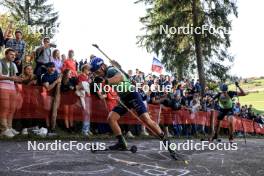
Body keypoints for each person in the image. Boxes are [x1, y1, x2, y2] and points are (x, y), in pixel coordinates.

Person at [90, 57, 175, 155]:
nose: (97, 74)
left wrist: (107, 82)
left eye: (97, 72)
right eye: (95, 73)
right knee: (111, 118)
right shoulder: (105, 76)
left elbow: (120, 77)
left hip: (132, 94)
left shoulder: (110, 70)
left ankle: (167, 142)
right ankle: (121, 143)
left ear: (102, 67)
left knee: (146, 120)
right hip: (124, 99)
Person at [0, 48, 22, 138]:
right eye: (11, 54)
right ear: (6, 55)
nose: (13, 56)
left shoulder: (13, 64)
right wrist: (9, 78)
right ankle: (4, 130)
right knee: (4, 108)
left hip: (12, 87)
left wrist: (20, 78)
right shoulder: (0, 62)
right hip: (2, 86)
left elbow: (15, 77)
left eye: (14, 55)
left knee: (12, 108)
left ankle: (9, 127)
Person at [41, 62, 62, 134]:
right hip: (47, 96)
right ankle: (47, 126)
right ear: (47, 68)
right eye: (50, 67)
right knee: (47, 111)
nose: (52, 68)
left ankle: (52, 128)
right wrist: (56, 82)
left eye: (53, 67)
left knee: (54, 112)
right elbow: (48, 88)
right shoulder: (45, 76)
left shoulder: (56, 73)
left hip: (56, 96)